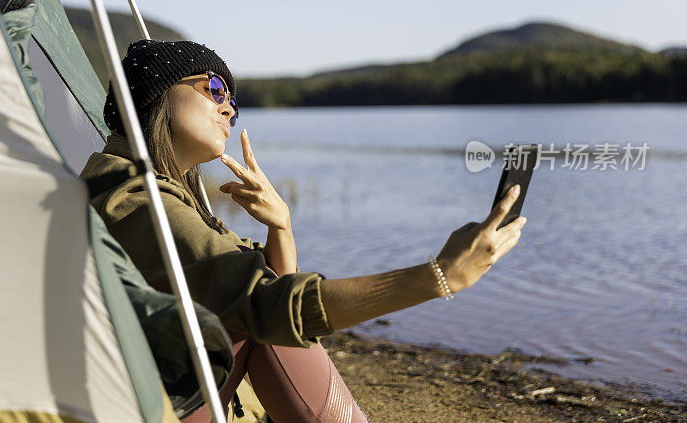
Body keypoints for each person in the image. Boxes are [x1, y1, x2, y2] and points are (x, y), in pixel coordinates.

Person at [80, 39, 527, 422]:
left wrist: (282, 226)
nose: (228, 107)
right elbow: (266, 306)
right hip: (134, 405)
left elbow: (268, 288)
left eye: (233, 102)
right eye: (213, 88)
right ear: (156, 94)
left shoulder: (147, 188)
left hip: (144, 391)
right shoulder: (132, 197)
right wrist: (438, 276)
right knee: (258, 322)